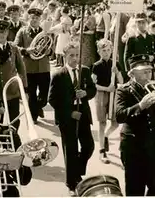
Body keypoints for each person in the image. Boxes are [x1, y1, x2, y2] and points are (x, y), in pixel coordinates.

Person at [115, 54, 155, 196]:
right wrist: (140, 106)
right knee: (135, 188)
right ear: (132, 74)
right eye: (144, 71)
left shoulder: (152, 88)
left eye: (150, 71)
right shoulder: (123, 90)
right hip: (134, 145)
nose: (149, 74)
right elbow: (119, 115)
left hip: (154, 142)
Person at [48, 42, 97, 195]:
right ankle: (71, 183)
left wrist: (86, 94)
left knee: (88, 146)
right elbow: (53, 99)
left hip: (83, 115)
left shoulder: (85, 71)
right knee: (71, 150)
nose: (75, 59)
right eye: (71, 56)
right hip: (67, 118)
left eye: (77, 55)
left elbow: (92, 89)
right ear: (64, 57)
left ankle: (78, 171)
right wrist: (69, 112)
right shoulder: (58, 75)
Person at [0, 20, 27, 130]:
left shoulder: (14, 48)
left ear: (7, 33)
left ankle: (13, 138)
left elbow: (21, 68)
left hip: (12, 92)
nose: (1, 35)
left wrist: (24, 89)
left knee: (15, 119)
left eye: (3, 32)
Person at [15, 7, 52, 122]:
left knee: (45, 95)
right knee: (31, 94)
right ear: (28, 18)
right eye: (32, 18)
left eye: (37, 18)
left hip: (43, 68)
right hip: (29, 68)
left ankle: (38, 106)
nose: (34, 20)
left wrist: (49, 51)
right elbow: (15, 46)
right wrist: (26, 50)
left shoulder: (45, 32)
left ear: (40, 19)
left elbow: (52, 48)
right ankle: (33, 116)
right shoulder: (22, 31)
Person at [91, 39, 123, 164]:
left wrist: (117, 72)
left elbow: (121, 81)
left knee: (115, 123)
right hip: (101, 94)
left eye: (109, 50)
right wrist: (106, 88)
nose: (106, 53)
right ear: (99, 51)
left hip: (113, 94)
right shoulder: (96, 66)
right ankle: (102, 150)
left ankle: (105, 136)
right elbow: (93, 85)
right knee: (102, 122)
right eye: (103, 50)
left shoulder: (115, 63)